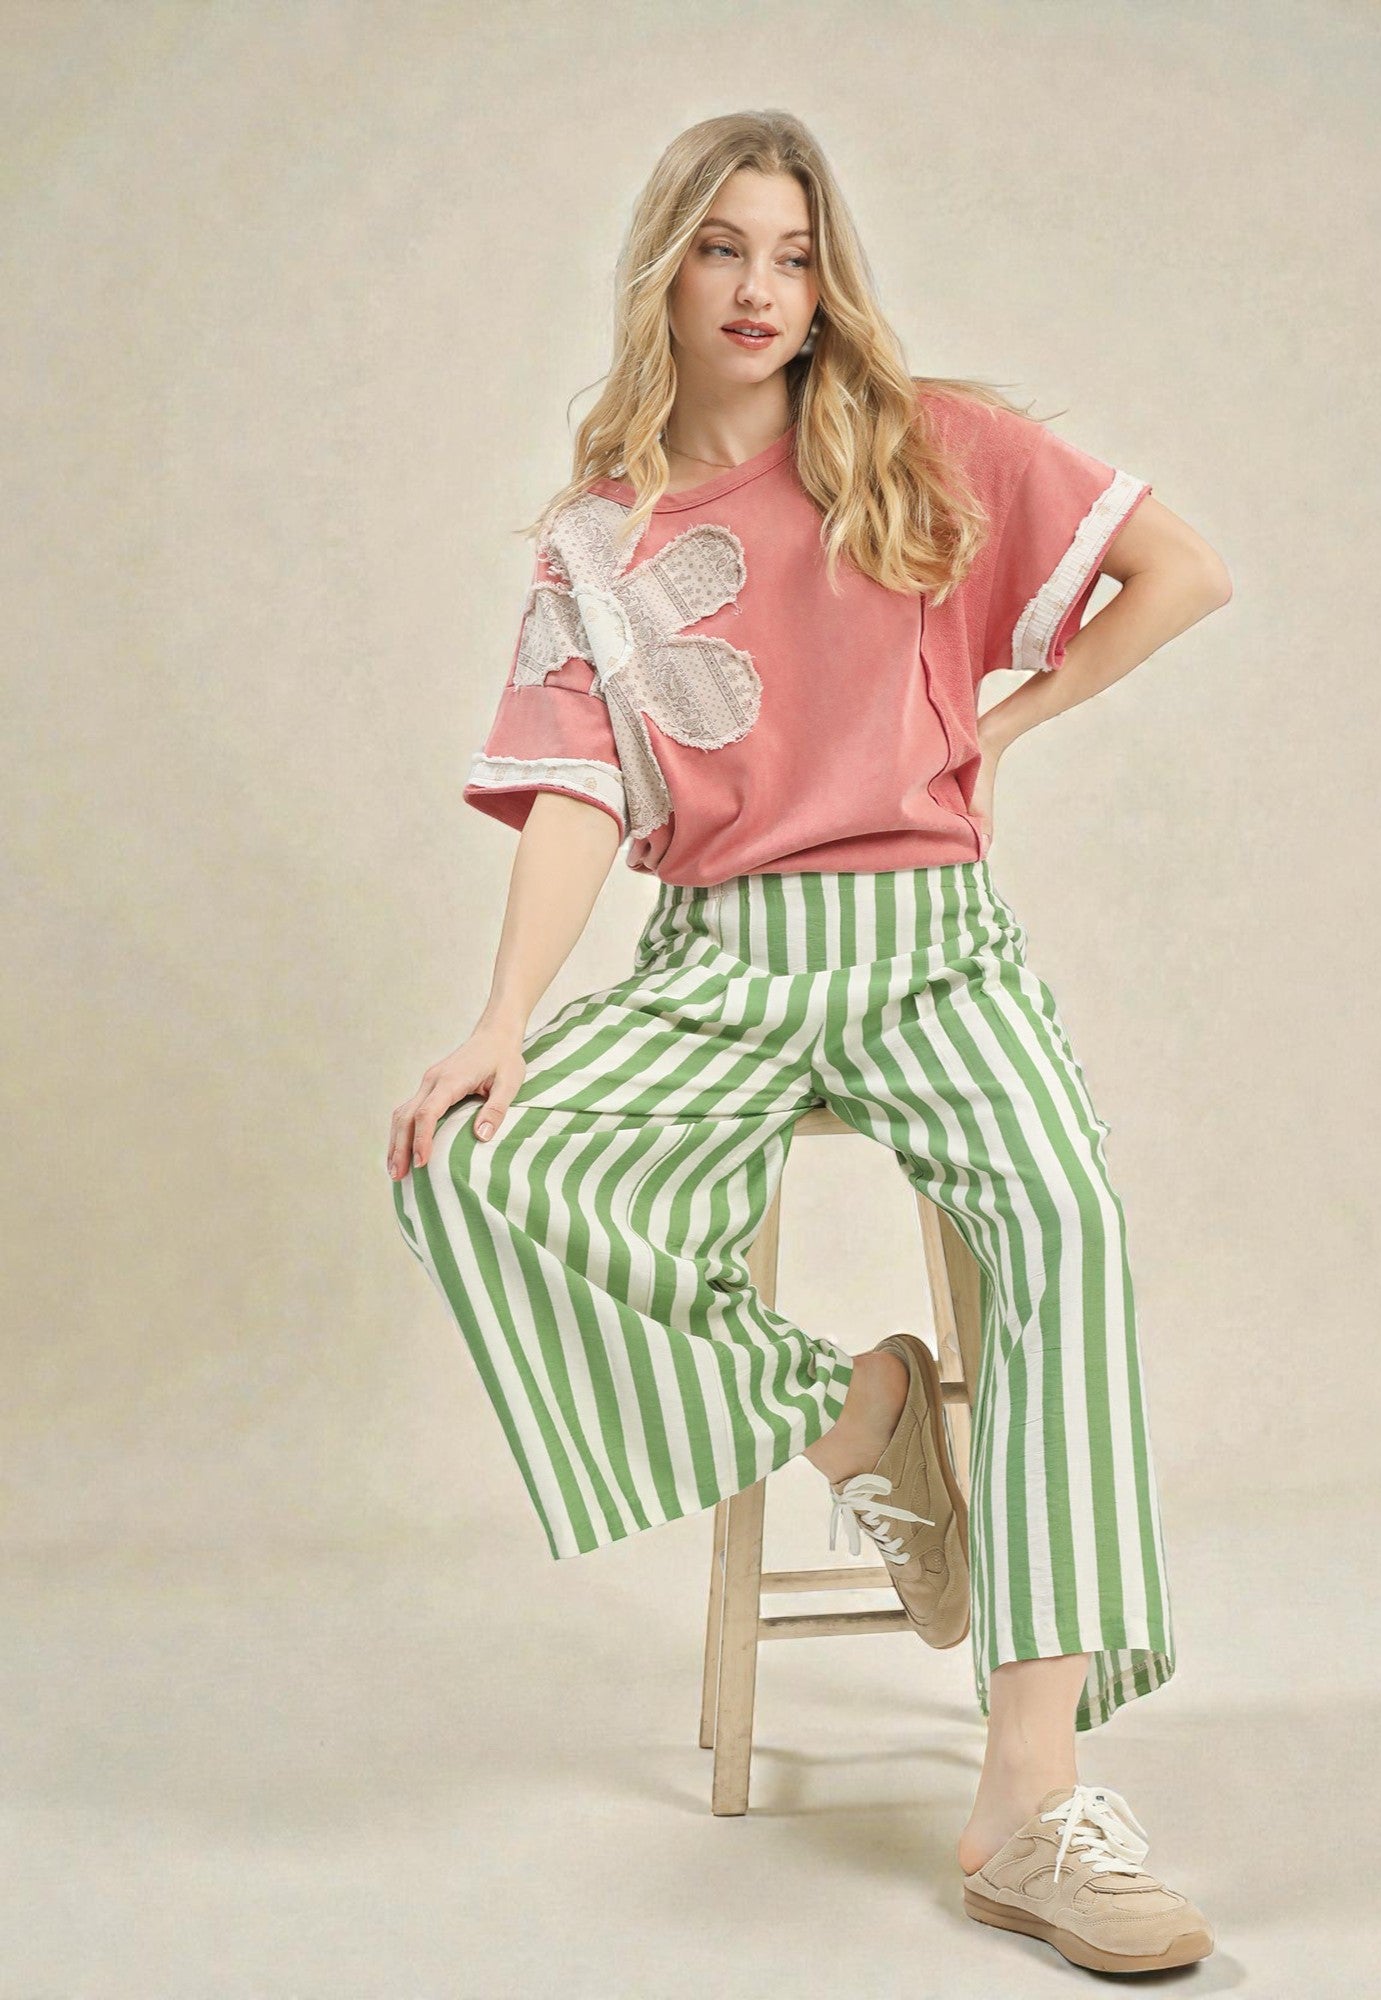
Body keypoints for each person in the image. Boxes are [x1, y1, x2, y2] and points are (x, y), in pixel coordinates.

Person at [387, 109, 1231, 1978]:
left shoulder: (929, 448)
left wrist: (1006, 722)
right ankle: (865, 1420)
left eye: (789, 252)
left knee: (1071, 1231)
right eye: (721, 251)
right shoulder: (603, 537)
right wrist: (501, 1024)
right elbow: (577, 794)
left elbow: (1180, 569)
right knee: (477, 1168)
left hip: (938, 951)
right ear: (663, 272)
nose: (761, 290)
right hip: (726, 963)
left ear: (823, 272)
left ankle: (1031, 1797)